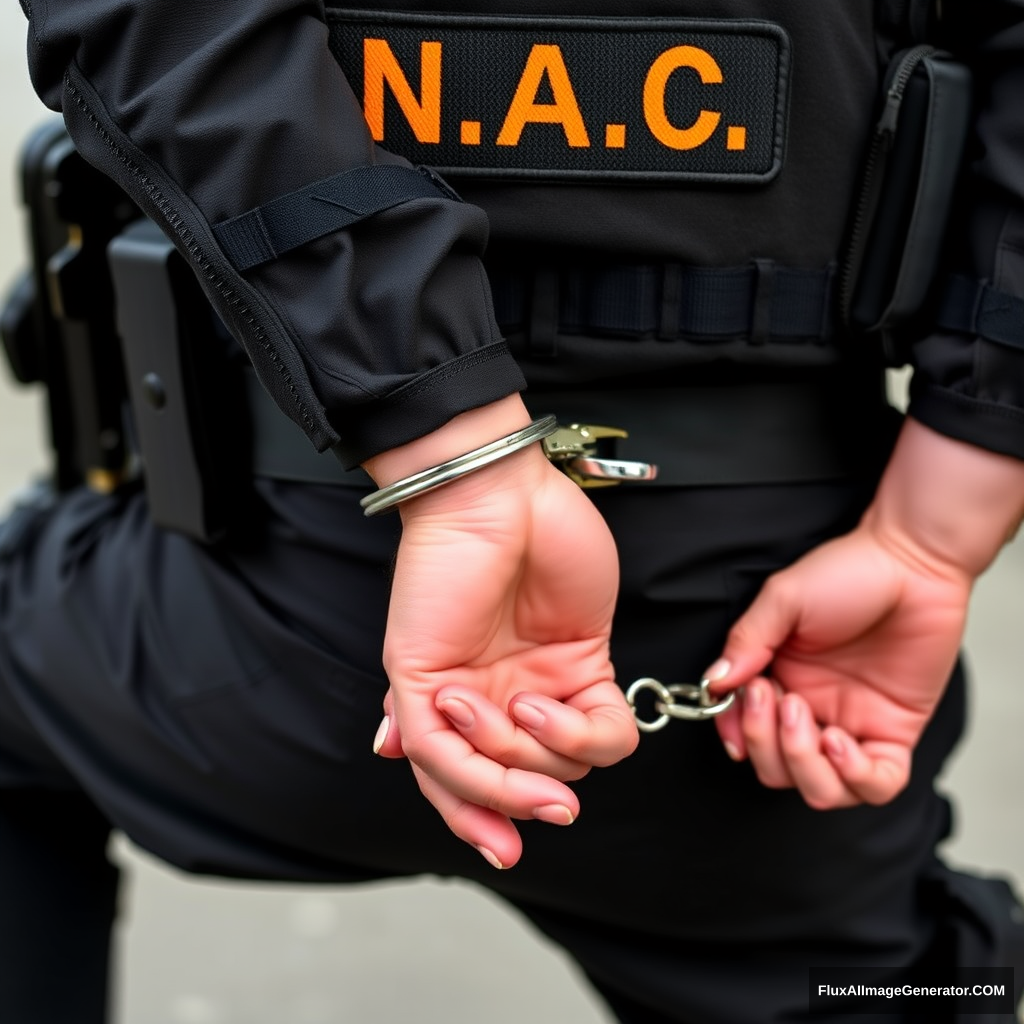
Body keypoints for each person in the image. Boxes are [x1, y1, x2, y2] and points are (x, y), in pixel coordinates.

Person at [2, 1, 1024, 1022]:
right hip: (775, 660)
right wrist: (937, 527)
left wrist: (455, 457)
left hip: (259, 614)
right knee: (910, 986)